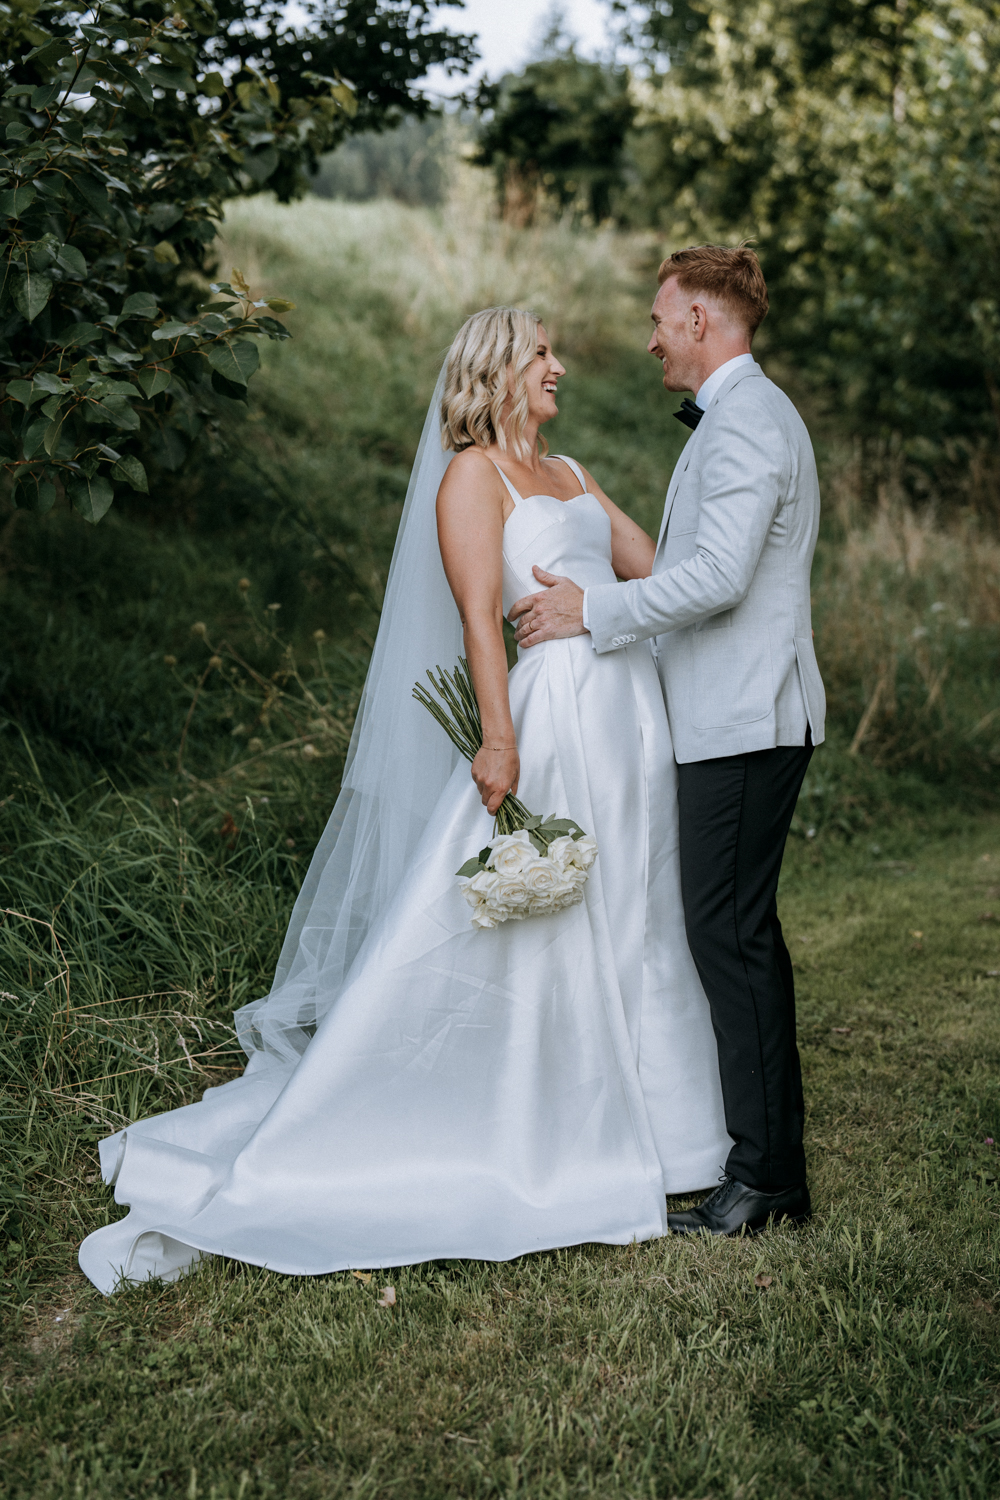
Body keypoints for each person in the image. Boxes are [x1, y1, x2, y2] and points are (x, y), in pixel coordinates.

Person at [79, 306, 730, 1295]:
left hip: (631, 717)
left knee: (642, 906)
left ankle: (675, 1139)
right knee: (546, 925)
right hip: (555, 716)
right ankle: (531, 1124)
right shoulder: (472, 477)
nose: (559, 366)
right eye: (541, 353)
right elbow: (477, 619)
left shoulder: (574, 474)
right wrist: (499, 739)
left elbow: (659, 574)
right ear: (497, 370)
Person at [511, 246, 826, 1237]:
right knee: (732, 934)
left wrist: (592, 611)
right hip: (731, 717)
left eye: (659, 319)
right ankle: (767, 1163)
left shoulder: (749, 420)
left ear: (699, 320)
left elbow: (718, 578)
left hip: (745, 721)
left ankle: (766, 1176)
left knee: (728, 937)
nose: (650, 339)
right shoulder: (739, 416)